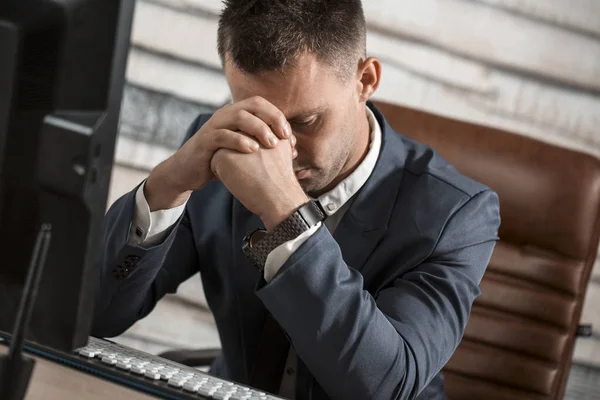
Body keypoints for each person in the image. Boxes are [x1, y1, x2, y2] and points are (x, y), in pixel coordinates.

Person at [92, 0, 500, 399]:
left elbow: (384, 387)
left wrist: (285, 211)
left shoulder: (458, 215)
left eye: (304, 122)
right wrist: (165, 185)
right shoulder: (225, 148)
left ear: (365, 80)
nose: (278, 148)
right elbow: (95, 314)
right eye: (255, 112)